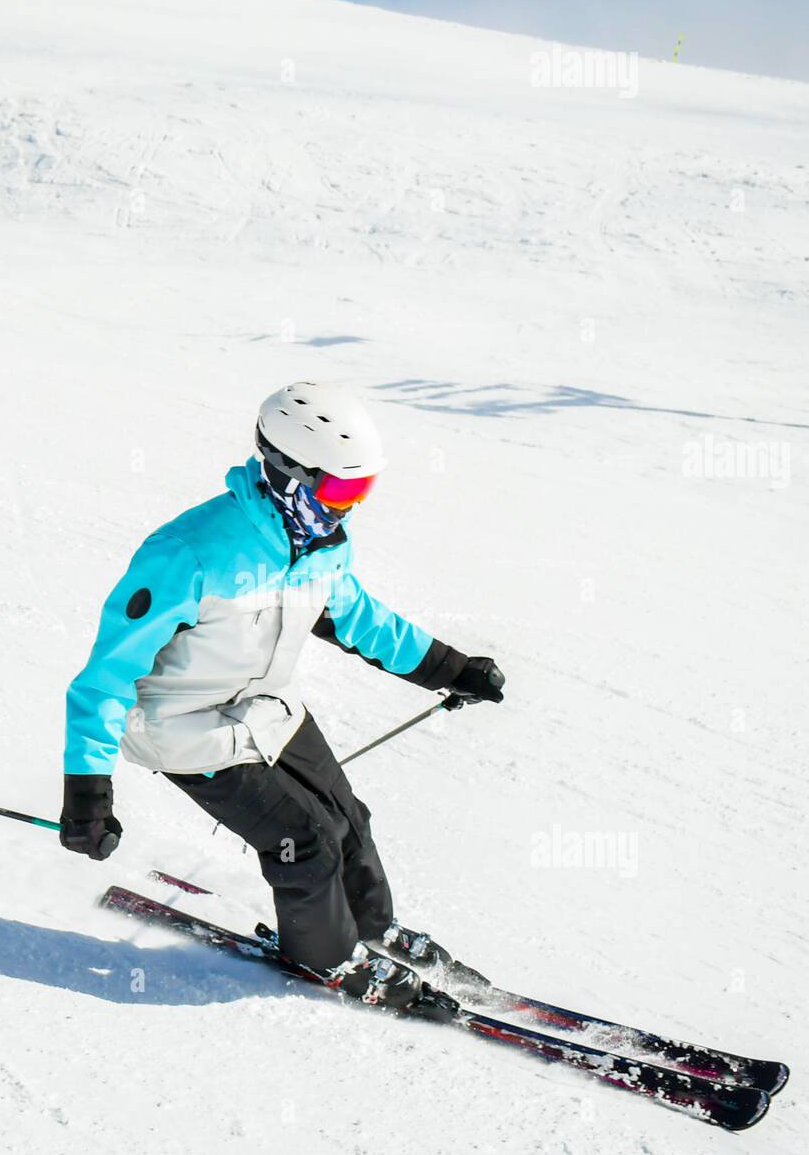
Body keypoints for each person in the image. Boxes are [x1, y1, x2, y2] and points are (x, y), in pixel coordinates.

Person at [61, 382, 504, 1007]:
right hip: (180, 725)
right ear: (289, 472)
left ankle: (372, 928)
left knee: (349, 821)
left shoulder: (320, 545)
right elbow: (105, 678)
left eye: (361, 491)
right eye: (341, 490)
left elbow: (356, 617)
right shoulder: (190, 552)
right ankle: (327, 957)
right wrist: (87, 793)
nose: (349, 507)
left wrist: (449, 668)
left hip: (266, 708)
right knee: (304, 841)